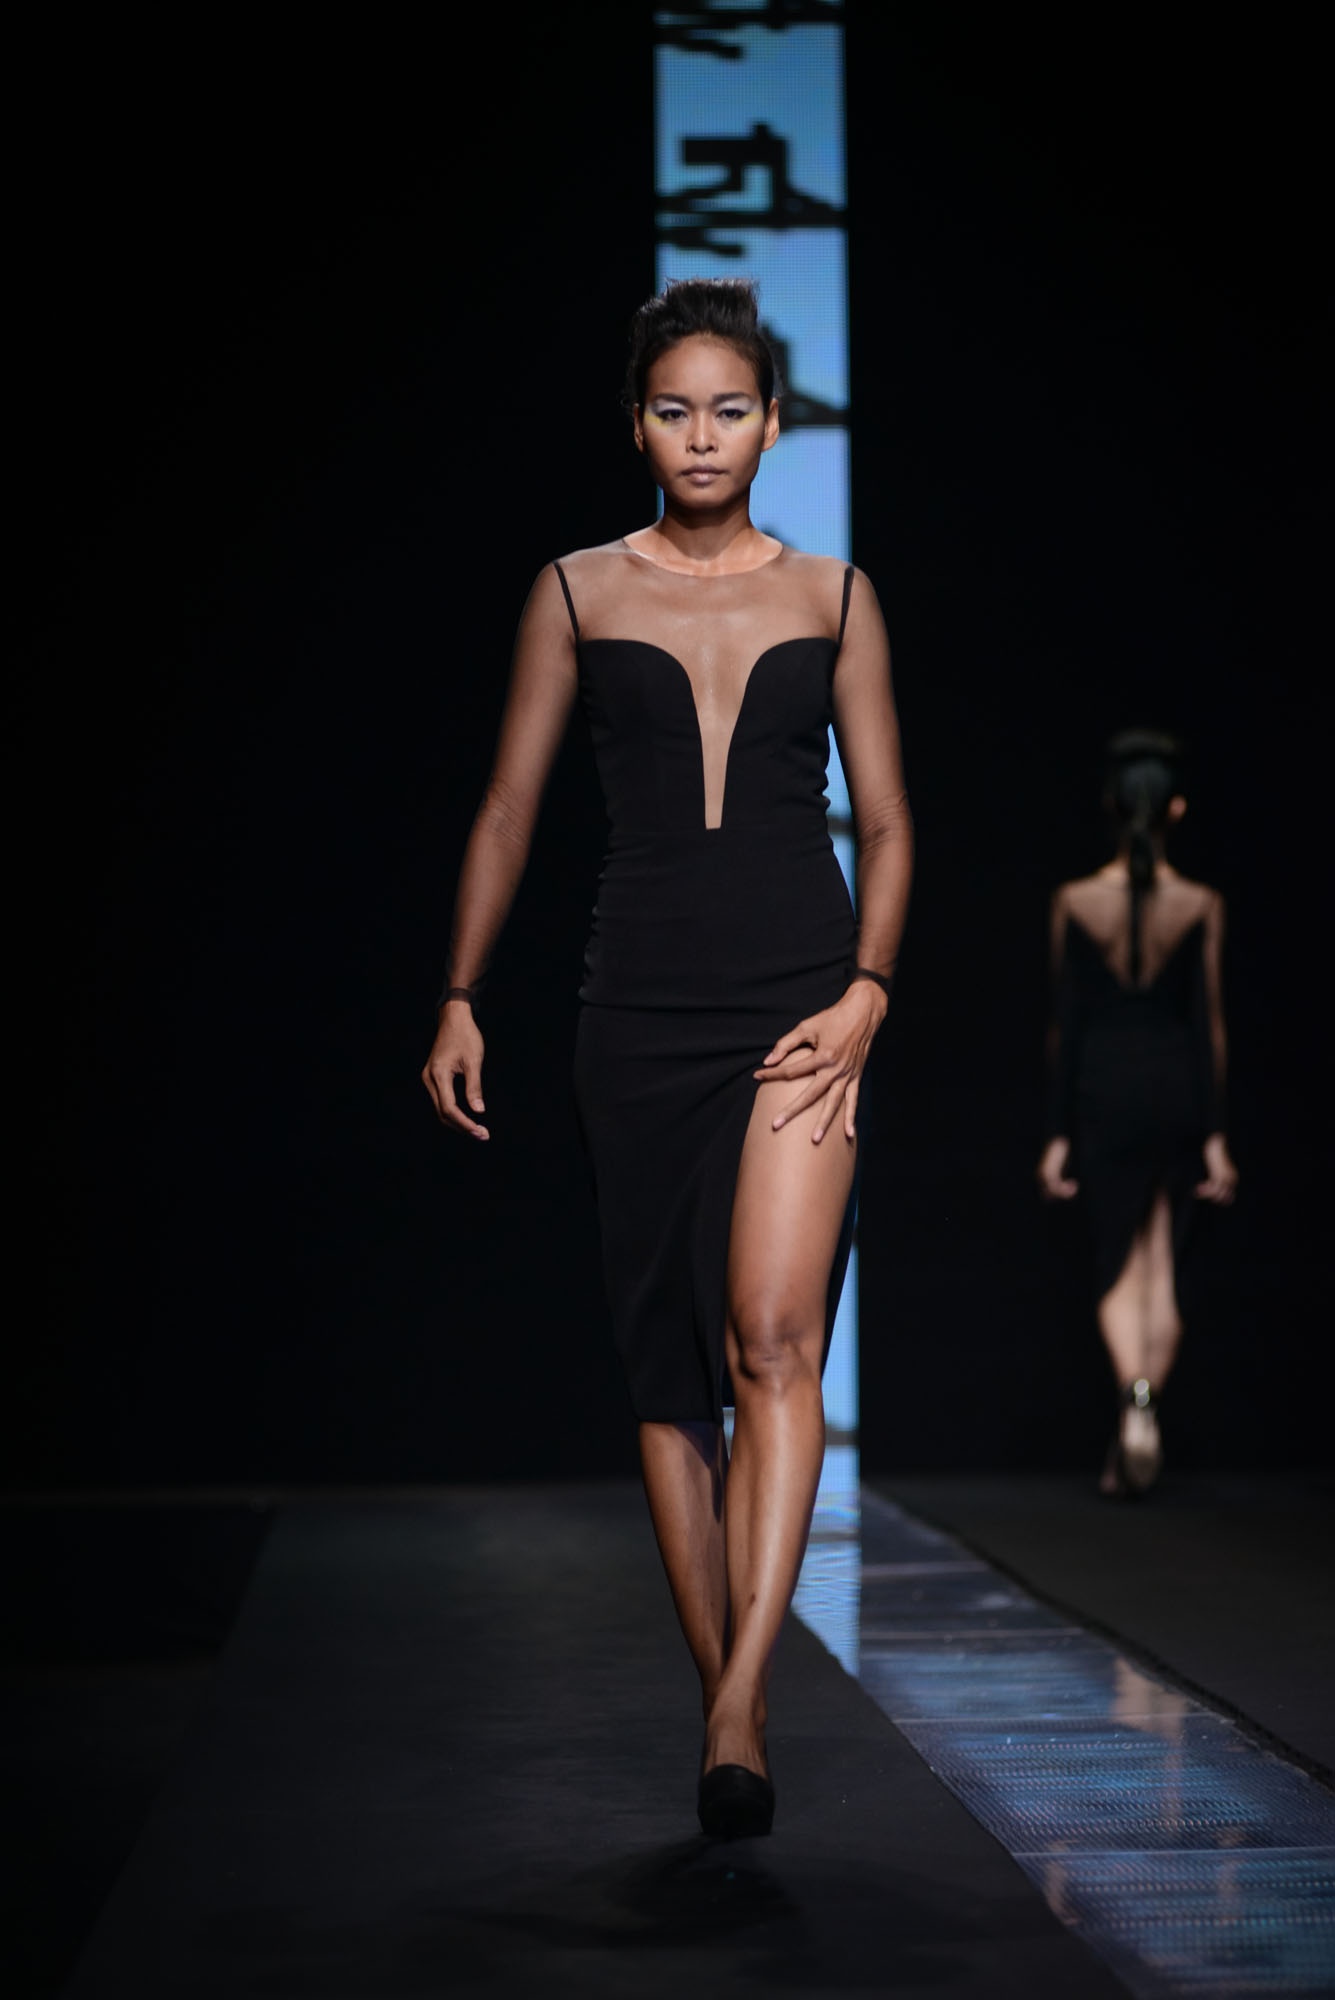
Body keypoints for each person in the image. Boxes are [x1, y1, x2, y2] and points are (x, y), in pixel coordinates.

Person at [421, 278, 912, 1837]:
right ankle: (730, 1705)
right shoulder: (574, 590)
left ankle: (735, 1702)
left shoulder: (834, 594)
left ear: (771, 424)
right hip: (629, 1012)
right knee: (665, 1373)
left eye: (728, 408)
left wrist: (868, 989)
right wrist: (458, 993)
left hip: (797, 999)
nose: (701, 434)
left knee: (772, 1338)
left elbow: (887, 820)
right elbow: (507, 807)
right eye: (671, 408)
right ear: (635, 424)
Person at [1037, 730, 1238, 1495]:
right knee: (1161, 1259)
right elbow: (1208, 1026)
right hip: (1175, 1089)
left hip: (1104, 1088)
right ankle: (1143, 1408)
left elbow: (1064, 1026)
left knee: (1116, 1256)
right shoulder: (1200, 903)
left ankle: (1132, 1402)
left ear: (1110, 806)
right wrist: (1214, 1135)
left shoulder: (1074, 901)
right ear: (1175, 810)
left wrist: (1056, 1133)